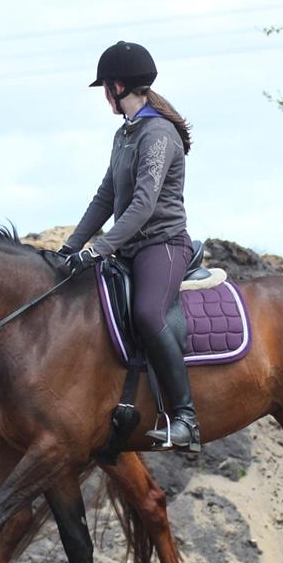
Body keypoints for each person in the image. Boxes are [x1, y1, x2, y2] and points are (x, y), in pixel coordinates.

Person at [59, 42, 198, 449]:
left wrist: (97, 249)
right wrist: (70, 247)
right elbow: (105, 197)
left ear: (118, 87)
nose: (105, 95)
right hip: (129, 248)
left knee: (147, 312)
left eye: (105, 87)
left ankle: (186, 418)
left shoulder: (159, 133)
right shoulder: (125, 134)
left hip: (163, 245)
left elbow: (143, 204)